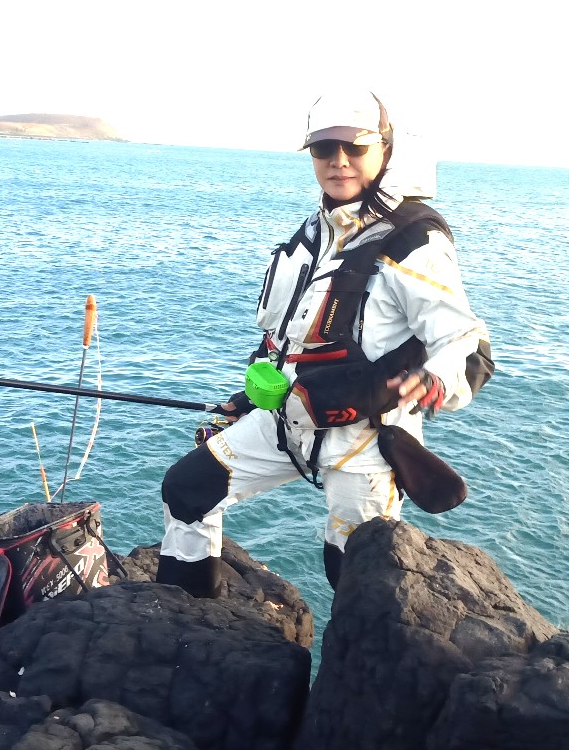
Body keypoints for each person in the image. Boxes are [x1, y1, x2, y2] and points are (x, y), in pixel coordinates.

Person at [157, 90, 493, 598]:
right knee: (187, 490)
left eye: (355, 148)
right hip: (284, 421)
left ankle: (355, 672)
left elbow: (467, 343)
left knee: (353, 566)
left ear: (385, 149)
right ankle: (186, 619)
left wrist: (434, 381)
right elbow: (288, 336)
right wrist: (249, 399)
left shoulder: (414, 241)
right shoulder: (316, 230)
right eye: (323, 149)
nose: (338, 162)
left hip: (362, 441)